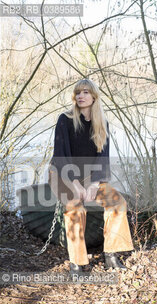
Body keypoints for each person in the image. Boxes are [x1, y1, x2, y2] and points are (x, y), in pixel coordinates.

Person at [48, 78, 134, 273]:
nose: (81, 96)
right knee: (76, 209)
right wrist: (76, 185)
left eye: (86, 92)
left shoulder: (102, 123)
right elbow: (60, 155)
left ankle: (111, 255)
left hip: (90, 177)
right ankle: (76, 264)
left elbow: (103, 158)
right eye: (78, 92)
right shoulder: (65, 119)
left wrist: (94, 183)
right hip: (62, 174)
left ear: (94, 97)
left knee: (118, 204)